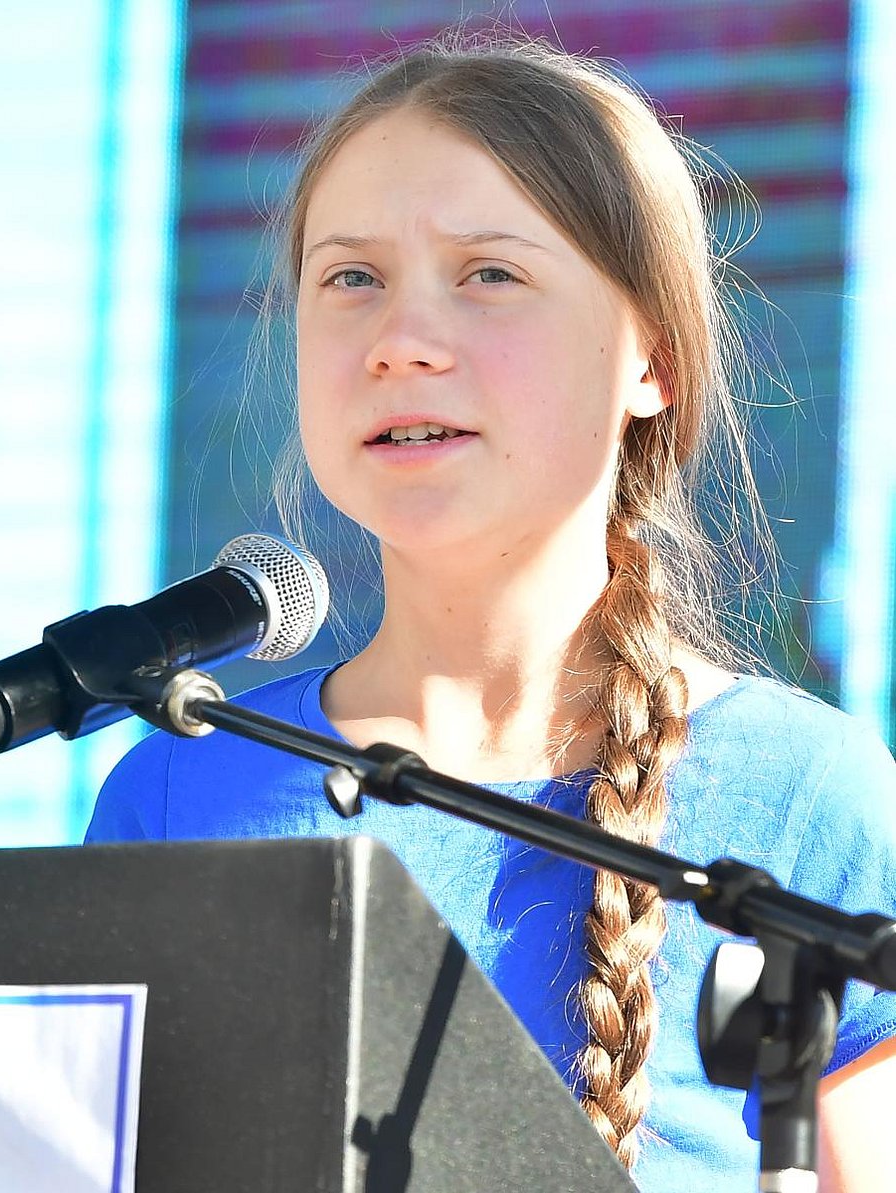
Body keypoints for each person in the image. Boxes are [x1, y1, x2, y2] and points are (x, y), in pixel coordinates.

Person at [85, 37, 896, 1191]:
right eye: (350, 277)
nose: (401, 340)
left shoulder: (807, 796)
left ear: (651, 360)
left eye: (490, 274)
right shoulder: (178, 791)